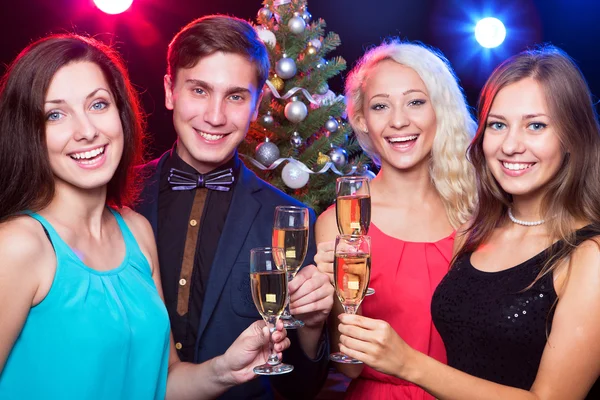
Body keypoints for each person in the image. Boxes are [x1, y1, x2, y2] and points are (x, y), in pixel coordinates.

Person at [0, 34, 291, 400]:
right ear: (30, 131)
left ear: (121, 113)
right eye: (55, 114)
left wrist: (225, 369)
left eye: (99, 105)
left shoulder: (135, 231)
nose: (87, 131)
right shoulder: (17, 245)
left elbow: (161, 383)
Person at [336, 45, 600, 399]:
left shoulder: (589, 255)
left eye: (535, 125)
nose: (511, 145)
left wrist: (408, 363)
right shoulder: (478, 229)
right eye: (498, 125)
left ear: (573, 136)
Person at [135, 15, 333, 399]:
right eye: (198, 90)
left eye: (236, 96)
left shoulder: (290, 219)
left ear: (257, 105)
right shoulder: (118, 199)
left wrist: (310, 326)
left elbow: (301, 389)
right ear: (170, 91)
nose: (215, 116)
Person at [315, 40, 476, 399]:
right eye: (380, 106)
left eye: (415, 102)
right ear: (362, 120)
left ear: (440, 110)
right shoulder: (339, 225)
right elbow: (348, 363)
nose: (399, 120)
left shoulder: (477, 213)